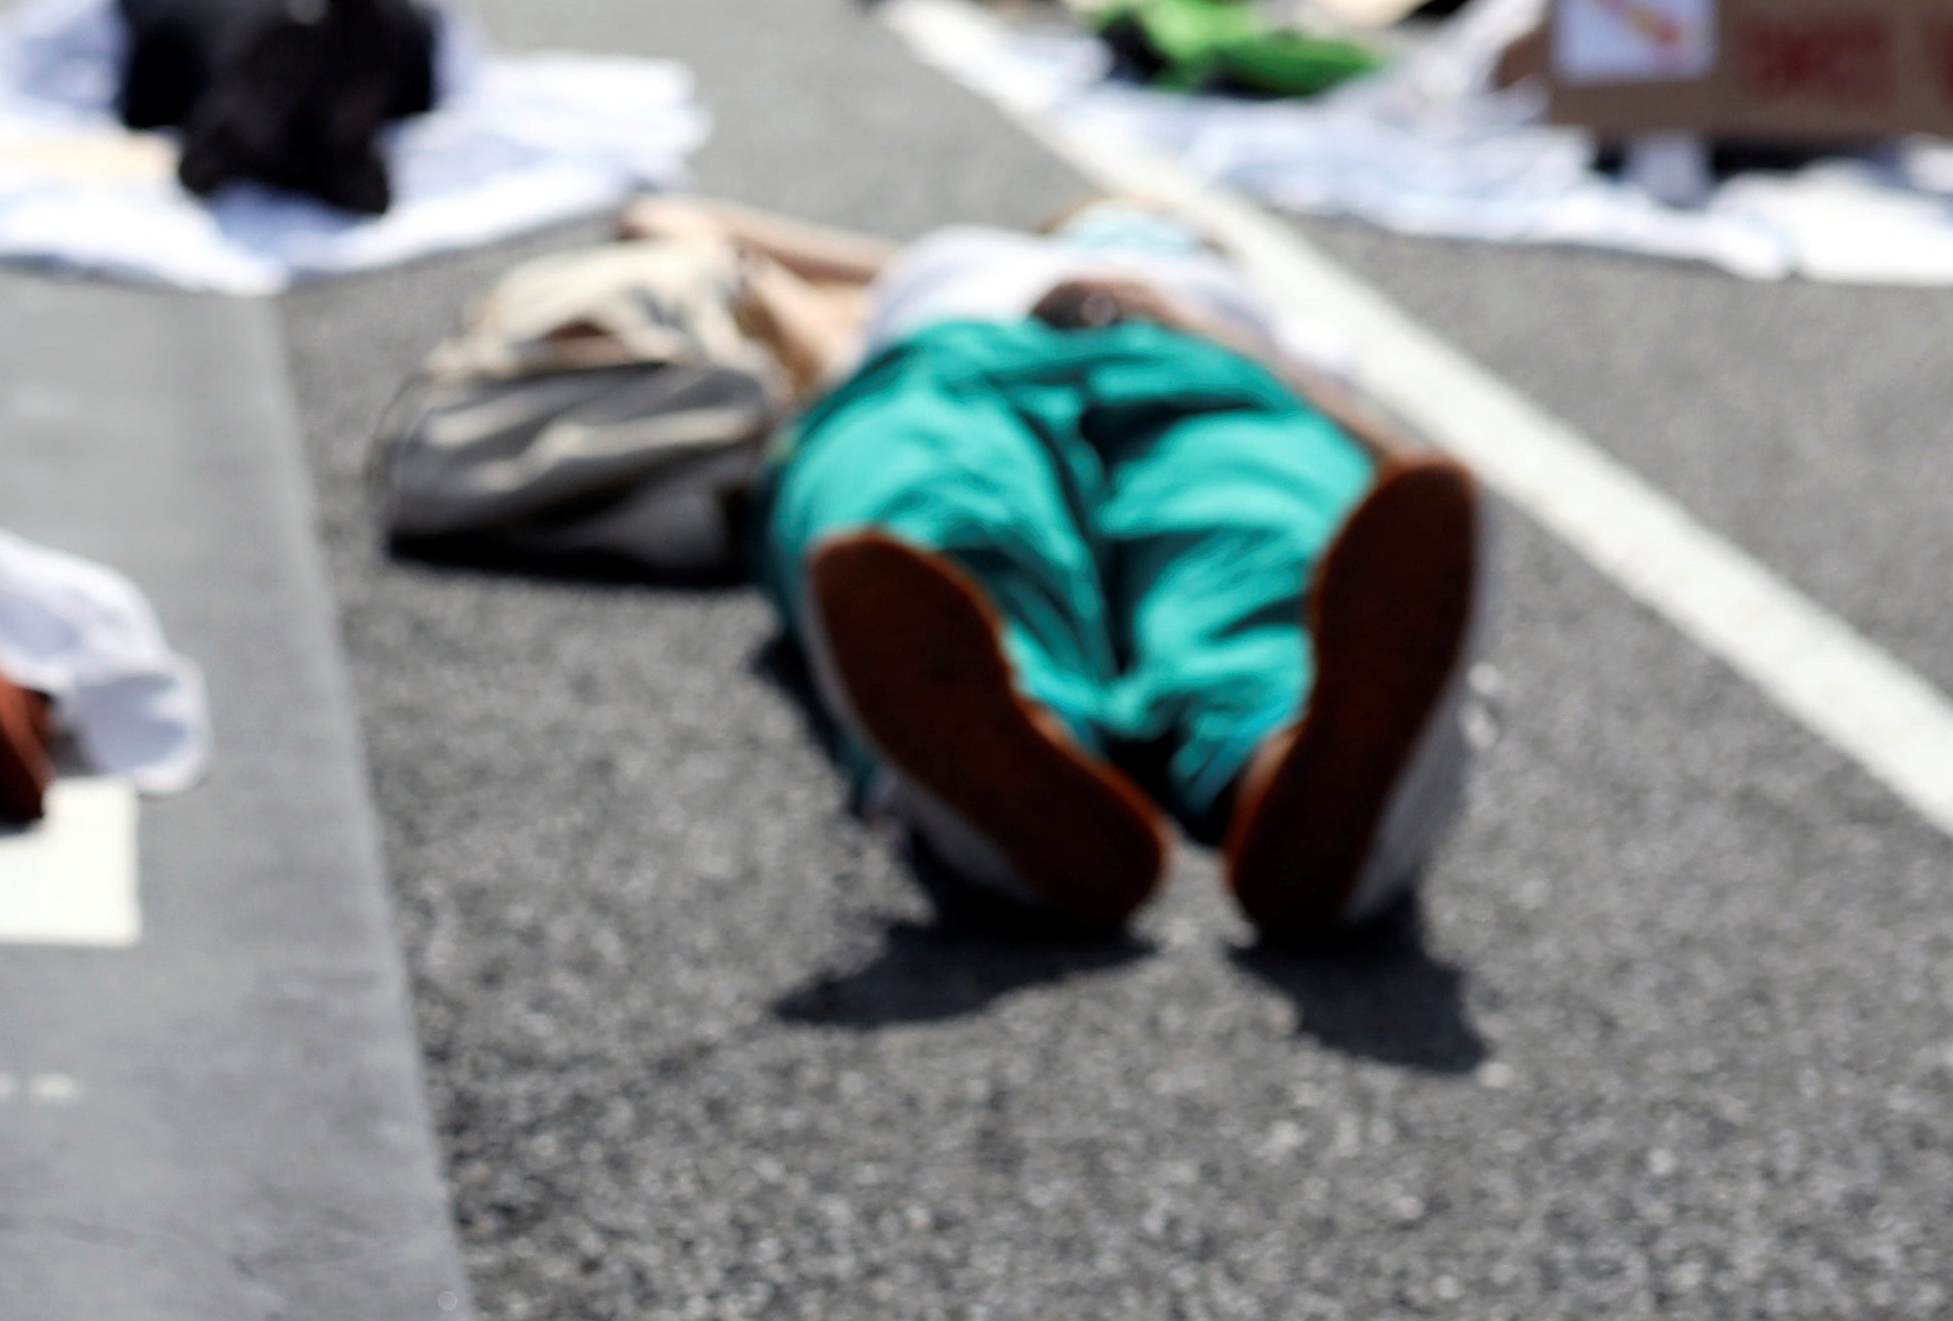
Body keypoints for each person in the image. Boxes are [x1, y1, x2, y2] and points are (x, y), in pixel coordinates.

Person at [626, 194, 1481, 945]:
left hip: (1207, 378)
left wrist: (1217, 332)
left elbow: (1412, 474)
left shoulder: (1265, 319)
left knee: (1263, 529)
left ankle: (1312, 775)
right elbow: (666, 217)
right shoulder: (954, 264)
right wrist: (806, 289)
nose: (1146, 207)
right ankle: (1020, 776)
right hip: (960, 364)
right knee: (931, 516)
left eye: (1175, 220)